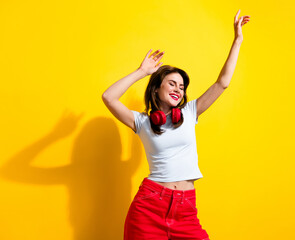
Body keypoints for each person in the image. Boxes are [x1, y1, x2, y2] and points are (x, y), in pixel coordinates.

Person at [102, 9, 250, 240]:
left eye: (181, 87)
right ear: (157, 88)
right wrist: (142, 71)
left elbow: (222, 83)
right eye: (171, 84)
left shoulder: (190, 112)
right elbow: (109, 97)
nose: (177, 90)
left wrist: (237, 40)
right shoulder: (141, 122)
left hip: (186, 209)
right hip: (149, 207)